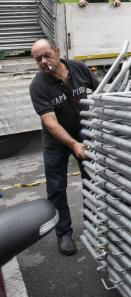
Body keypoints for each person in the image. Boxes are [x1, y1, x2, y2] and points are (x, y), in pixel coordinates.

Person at [29, 38, 99, 255]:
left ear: (58, 52)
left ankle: (94, 224)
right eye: (37, 58)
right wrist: (73, 144)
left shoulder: (78, 68)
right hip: (55, 141)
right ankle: (64, 234)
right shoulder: (38, 86)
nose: (43, 61)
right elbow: (50, 122)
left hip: (85, 132)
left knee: (93, 180)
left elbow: (100, 94)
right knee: (57, 188)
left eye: (46, 55)